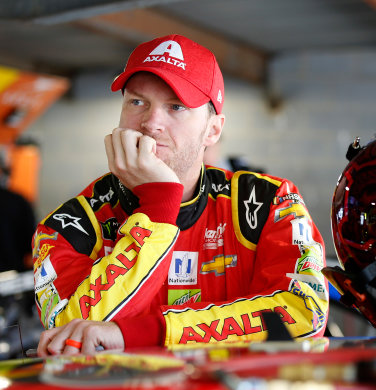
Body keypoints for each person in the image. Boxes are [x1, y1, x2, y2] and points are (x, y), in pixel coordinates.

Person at [33, 34, 328, 356]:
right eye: (137, 102)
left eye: (176, 106)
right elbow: (76, 340)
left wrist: (143, 333)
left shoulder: (268, 200)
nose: (150, 123)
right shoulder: (67, 226)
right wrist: (160, 204)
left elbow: (303, 313)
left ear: (213, 130)